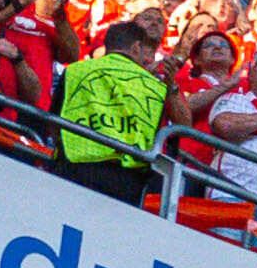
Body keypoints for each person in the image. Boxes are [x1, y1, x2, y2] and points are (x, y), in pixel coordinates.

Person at [50, 15, 171, 203]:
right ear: (136, 47)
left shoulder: (75, 70)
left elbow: (54, 121)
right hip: (127, 178)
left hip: (73, 166)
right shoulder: (157, 86)